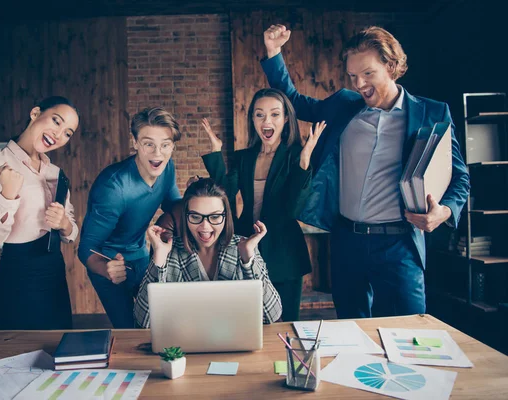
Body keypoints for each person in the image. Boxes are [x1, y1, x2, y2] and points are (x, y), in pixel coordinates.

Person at [261, 25, 470, 318]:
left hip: (399, 244)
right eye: (353, 76)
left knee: (407, 331)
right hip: (347, 240)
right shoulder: (343, 106)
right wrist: (274, 52)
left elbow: (460, 177)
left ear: (392, 66)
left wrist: (444, 212)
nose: (359, 83)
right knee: (350, 329)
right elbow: (293, 103)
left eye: (368, 73)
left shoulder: (432, 113)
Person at [200, 88, 326, 321]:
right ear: (253, 120)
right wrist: (216, 153)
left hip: (284, 252)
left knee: (285, 324)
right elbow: (224, 196)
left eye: (275, 114)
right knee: (246, 322)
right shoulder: (244, 157)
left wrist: (304, 161)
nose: (267, 121)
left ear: (286, 119)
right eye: (259, 115)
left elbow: (293, 210)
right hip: (245, 246)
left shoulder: (296, 156)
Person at [0, 96, 80, 329]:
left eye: (68, 132)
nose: (58, 133)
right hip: (18, 274)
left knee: (59, 348)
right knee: (19, 353)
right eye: (56, 121)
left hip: (54, 271)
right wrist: (7, 197)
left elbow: (71, 230)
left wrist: (64, 223)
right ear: (34, 113)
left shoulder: (55, 172)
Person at [78, 107, 182, 328]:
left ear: (172, 146)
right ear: (135, 142)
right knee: (128, 330)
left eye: (165, 145)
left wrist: (195, 196)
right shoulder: (113, 187)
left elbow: (173, 207)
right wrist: (105, 267)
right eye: (148, 144)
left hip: (141, 255)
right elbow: (87, 246)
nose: (157, 154)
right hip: (109, 263)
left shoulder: (167, 167)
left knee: (158, 322)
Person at [134, 178, 282, 328]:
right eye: (196, 217)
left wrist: (248, 259)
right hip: (183, 343)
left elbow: (272, 314)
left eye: (215, 216)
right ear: (185, 216)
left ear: (225, 217)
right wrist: (158, 257)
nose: (205, 226)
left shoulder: (244, 246)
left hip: (233, 342)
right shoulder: (170, 252)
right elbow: (143, 320)